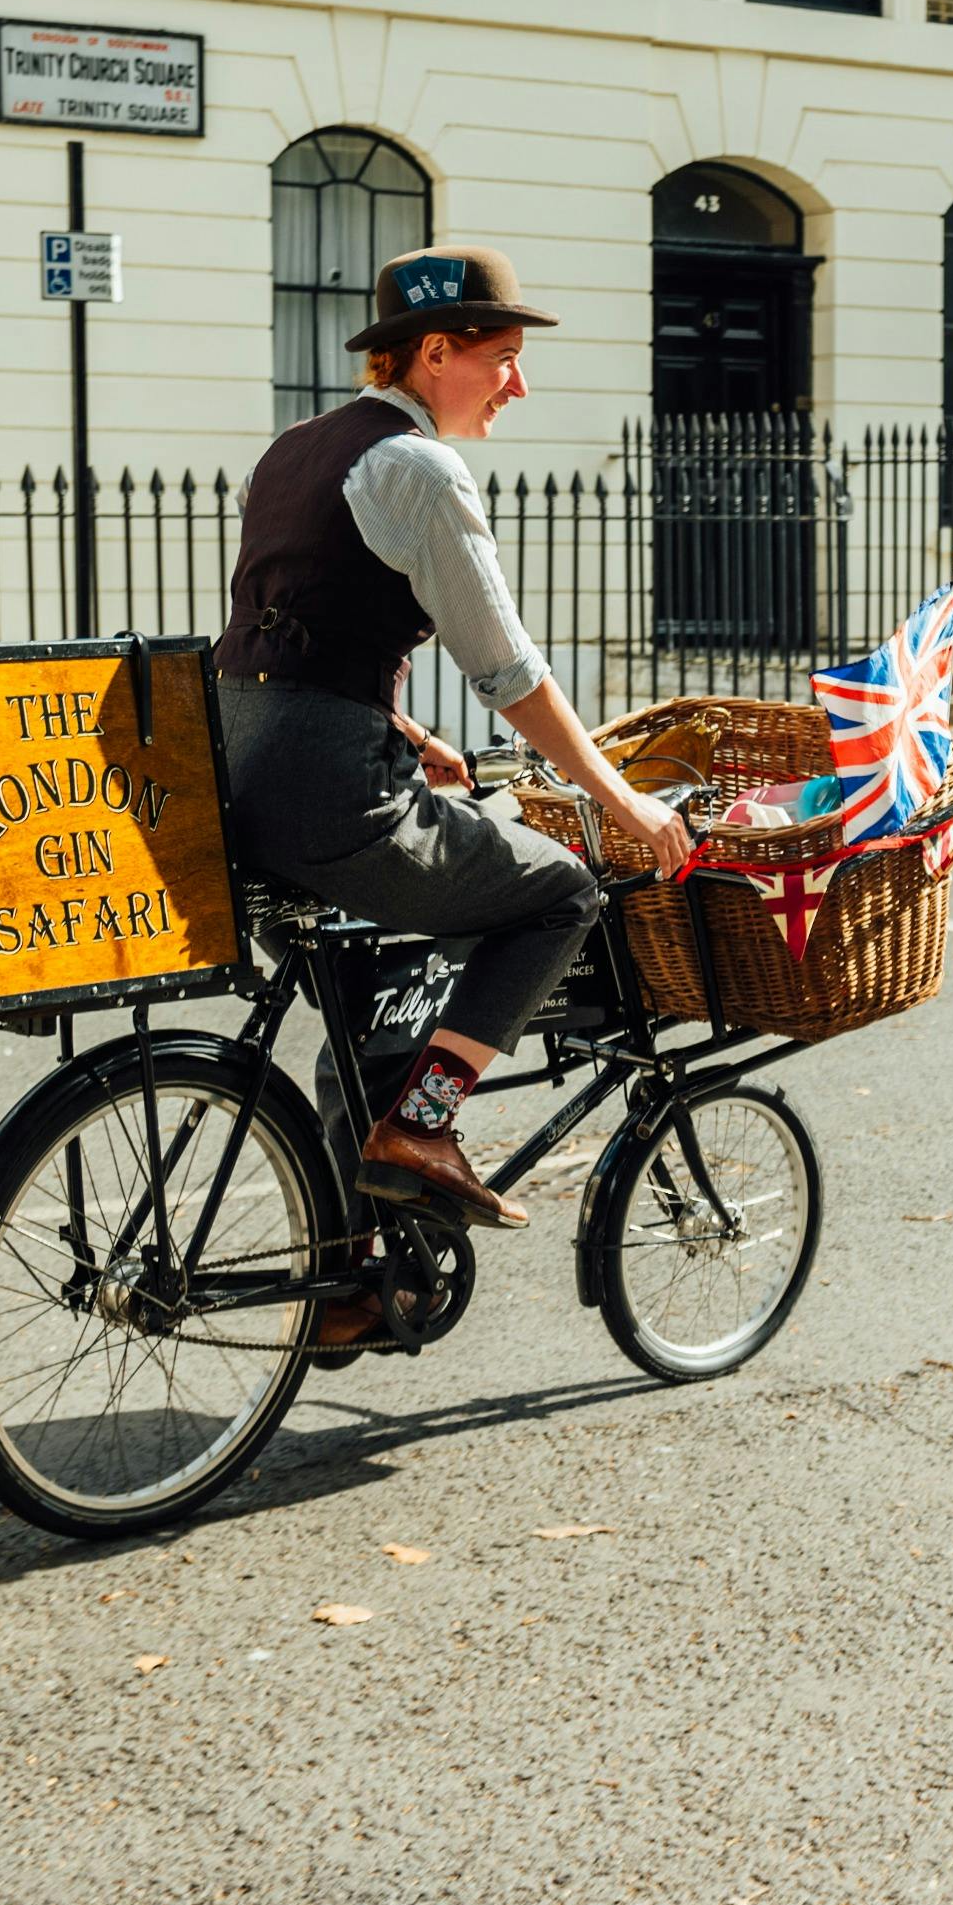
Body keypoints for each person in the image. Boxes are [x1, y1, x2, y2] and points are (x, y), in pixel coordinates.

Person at [214, 240, 691, 1276]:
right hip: (333, 797)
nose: (518, 385)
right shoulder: (420, 469)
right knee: (562, 894)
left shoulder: (295, 449)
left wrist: (403, 731)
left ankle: (347, 1281)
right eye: (503, 358)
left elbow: (292, 627)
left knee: (364, 1015)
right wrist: (626, 804)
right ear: (435, 352)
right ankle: (423, 1125)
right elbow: (508, 673)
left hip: (241, 774)